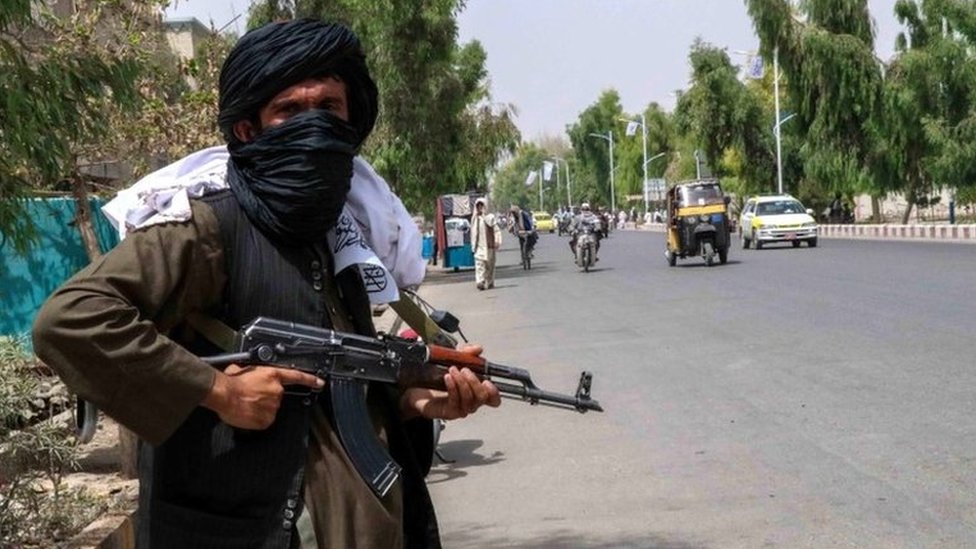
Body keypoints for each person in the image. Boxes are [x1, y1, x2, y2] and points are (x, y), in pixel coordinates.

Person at [32, 18, 500, 549]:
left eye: (328, 107)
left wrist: (414, 401)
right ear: (249, 130)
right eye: (290, 111)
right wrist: (219, 390)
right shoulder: (207, 226)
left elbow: (337, 381)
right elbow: (70, 319)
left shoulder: (336, 230)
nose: (315, 127)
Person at [470, 197, 499, 290]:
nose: (480, 208)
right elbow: (473, 232)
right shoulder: (474, 219)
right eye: (478, 206)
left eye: (482, 206)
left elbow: (496, 229)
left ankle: (490, 282)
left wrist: (497, 240)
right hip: (479, 246)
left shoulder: (490, 217)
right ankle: (480, 281)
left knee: (490, 266)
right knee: (479, 264)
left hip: (489, 246)